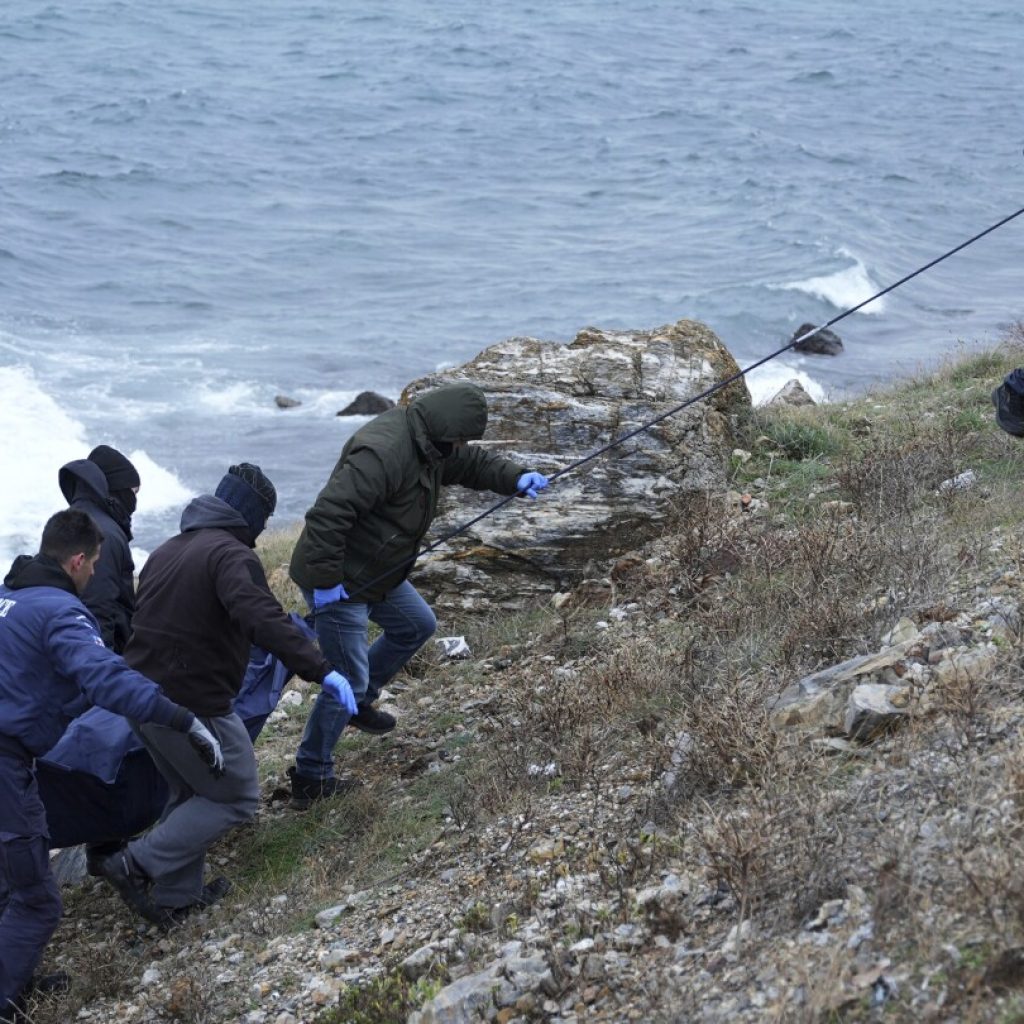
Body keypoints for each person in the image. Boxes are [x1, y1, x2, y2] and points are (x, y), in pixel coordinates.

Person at [98, 463, 357, 926]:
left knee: (190, 788)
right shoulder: (231, 555)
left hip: (141, 699)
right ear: (251, 516)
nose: (260, 532)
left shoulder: (168, 550)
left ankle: (176, 897)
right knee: (236, 796)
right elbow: (257, 613)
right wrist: (321, 670)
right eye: (263, 520)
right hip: (192, 705)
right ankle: (133, 865)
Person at [0, 510, 222, 1021]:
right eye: (96, 562)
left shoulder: (10, 600)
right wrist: (179, 717)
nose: (97, 572)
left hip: (14, 755)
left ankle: (18, 977)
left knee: (9, 880)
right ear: (77, 560)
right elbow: (104, 676)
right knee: (37, 900)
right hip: (6, 764)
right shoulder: (61, 611)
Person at [287, 381, 549, 804]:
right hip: (338, 581)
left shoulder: (431, 446)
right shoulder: (384, 452)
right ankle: (310, 776)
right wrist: (325, 583)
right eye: (460, 437)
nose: (461, 444)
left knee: (416, 625)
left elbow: (473, 464)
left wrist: (515, 478)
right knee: (346, 680)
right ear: (446, 426)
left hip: (379, 573)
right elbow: (328, 515)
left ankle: (360, 705)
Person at [59, 445, 141, 654]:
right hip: (97, 658)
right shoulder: (105, 535)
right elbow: (98, 609)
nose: (135, 501)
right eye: (133, 492)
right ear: (117, 489)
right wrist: (104, 673)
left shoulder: (66, 521)